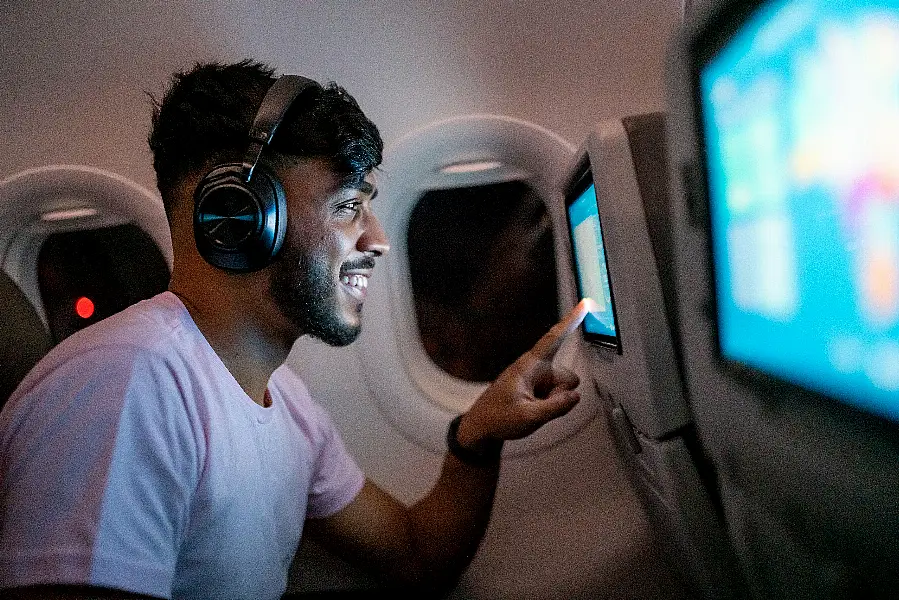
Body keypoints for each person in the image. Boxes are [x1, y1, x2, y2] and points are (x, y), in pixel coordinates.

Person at [0, 60, 592, 600]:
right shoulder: (127, 385)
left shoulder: (286, 403)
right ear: (239, 217)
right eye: (347, 205)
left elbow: (416, 556)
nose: (378, 238)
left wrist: (478, 433)